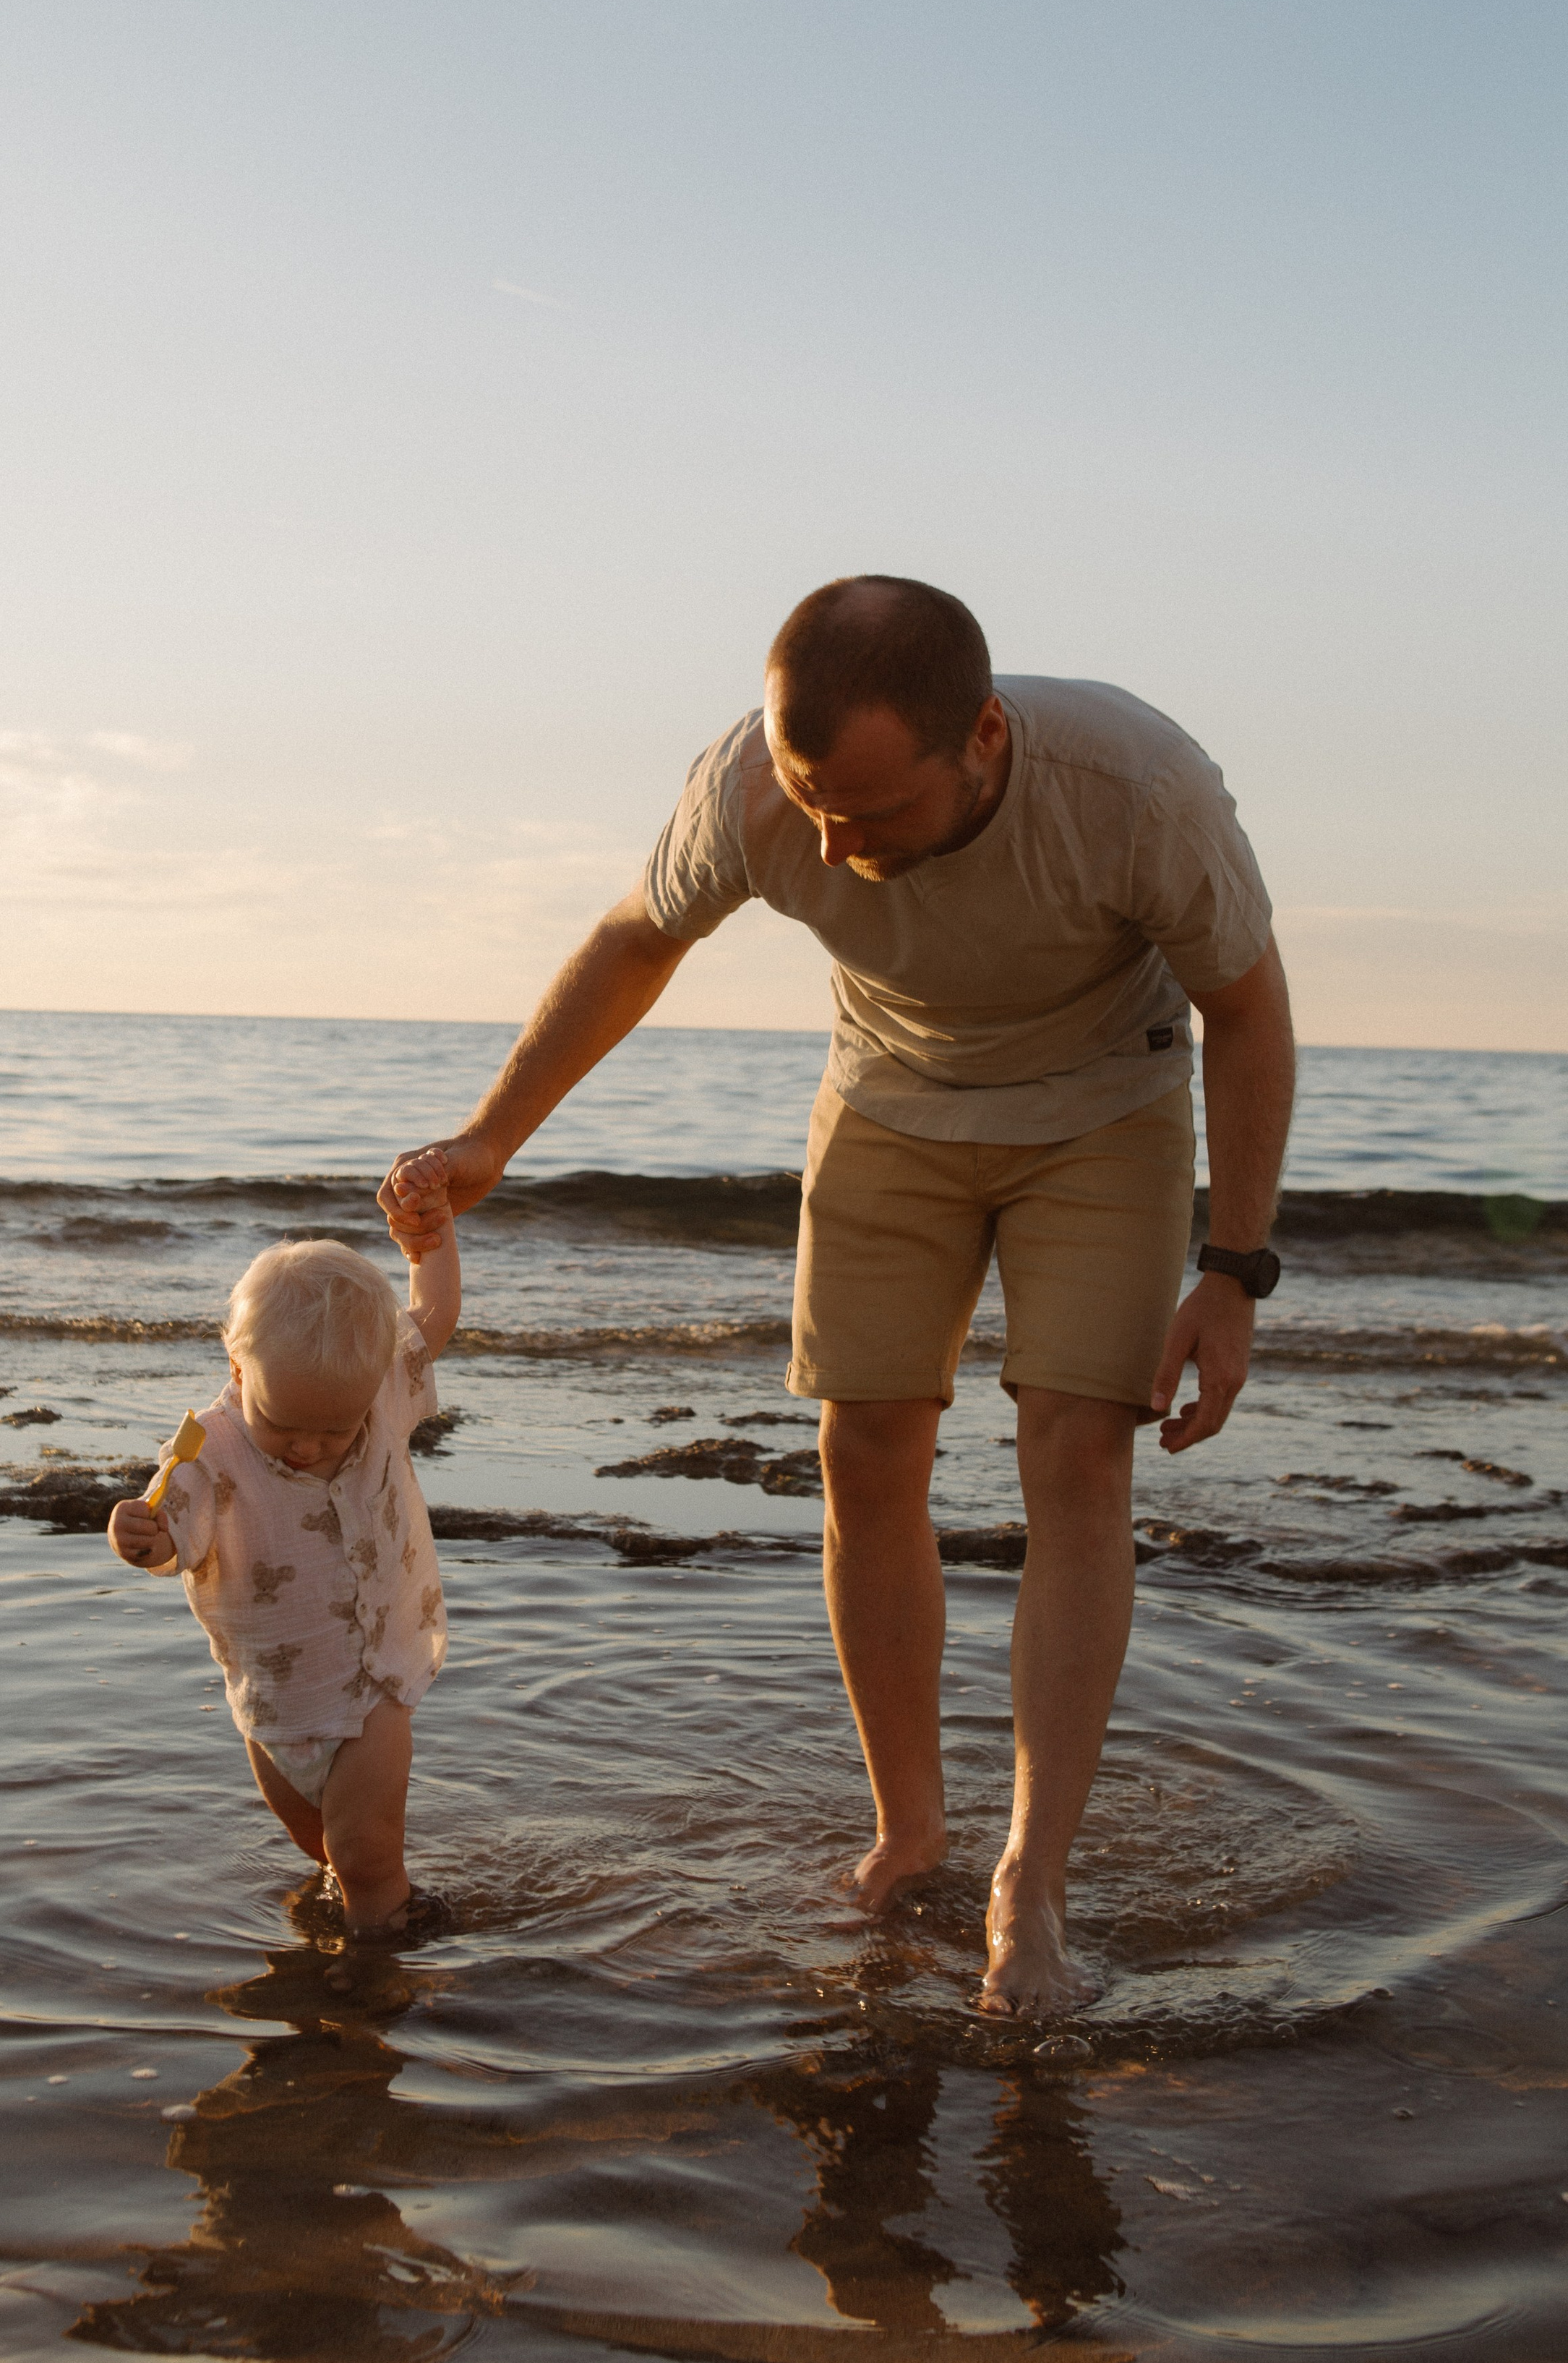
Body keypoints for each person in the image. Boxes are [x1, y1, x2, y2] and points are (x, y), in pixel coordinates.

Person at [381, 577, 1295, 2014]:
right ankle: (908, 1831)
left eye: (864, 813)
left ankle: (1028, 1885)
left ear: (981, 739)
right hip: (890, 1099)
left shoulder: (1134, 788)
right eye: (808, 803)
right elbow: (639, 939)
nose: (823, 843)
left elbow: (1246, 1009)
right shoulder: (752, 789)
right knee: (862, 1452)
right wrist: (494, 1137)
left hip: (1103, 1109)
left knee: (1073, 1446)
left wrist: (1231, 1271)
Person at [107, 1153, 460, 1936]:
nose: (308, 1448)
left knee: (365, 1854)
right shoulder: (212, 1449)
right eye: (285, 1427)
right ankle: (352, 1908)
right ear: (239, 1370)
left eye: (335, 1431)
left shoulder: (377, 1389)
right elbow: (171, 1537)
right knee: (318, 1844)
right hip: (272, 1700)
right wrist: (136, 1535)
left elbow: (432, 1320)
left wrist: (430, 1236)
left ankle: (379, 1957)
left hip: (372, 1687)